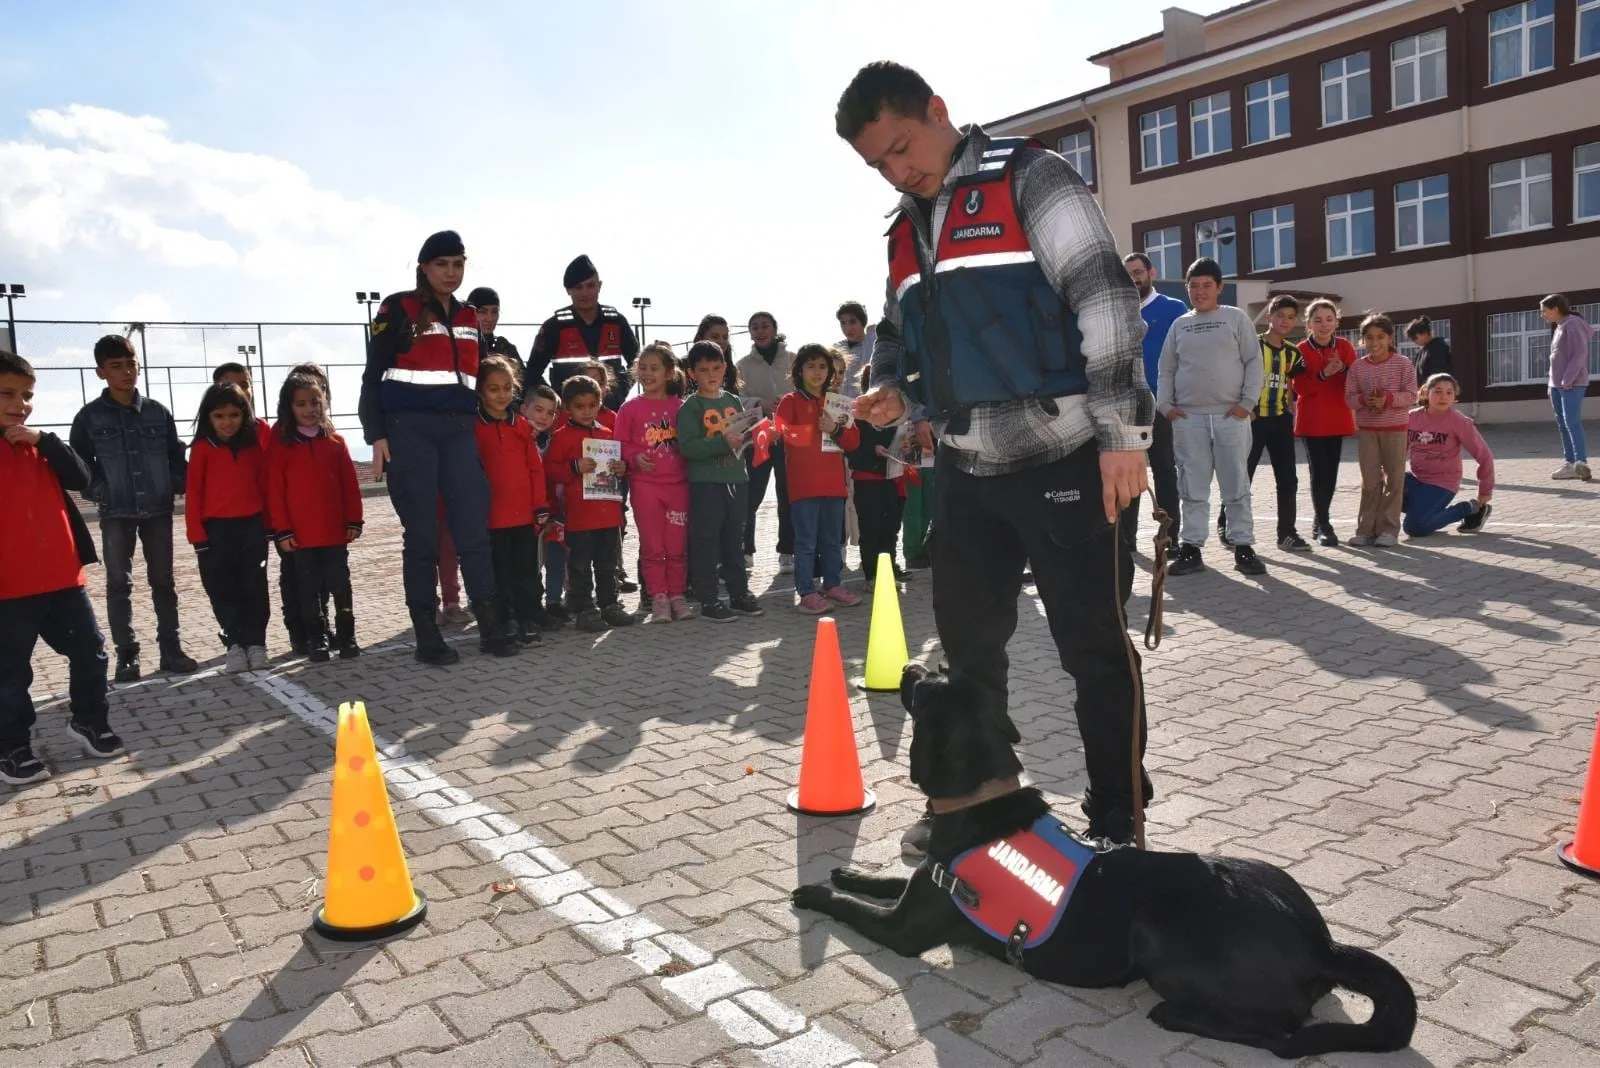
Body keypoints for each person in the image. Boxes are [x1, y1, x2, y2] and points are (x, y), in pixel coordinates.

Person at [838, 61, 1153, 851]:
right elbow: (898, 335)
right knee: (969, 654)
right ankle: (979, 804)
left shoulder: (1032, 178)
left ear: (939, 111)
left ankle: (1119, 814)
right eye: (878, 165)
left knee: (1093, 648)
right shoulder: (903, 231)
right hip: (965, 471)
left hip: (1067, 458)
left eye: (902, 148)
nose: (897, 172)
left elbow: (1106, 299)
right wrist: (890, 390)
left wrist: (1122, 436)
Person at [359, 230, 518, 664]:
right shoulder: (398, 308)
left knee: (472, 530)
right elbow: (373, 375)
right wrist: (376, 435)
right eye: (442, 264)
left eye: (458, 264)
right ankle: (427, 634)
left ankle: (490, 625)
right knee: (423, 535)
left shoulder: (468, 316)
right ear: (424, 268)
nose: (451, 272)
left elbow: (479, 378)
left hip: (460, 432)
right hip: (409, 431)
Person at [1, 349, 119, 785]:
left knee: (91, 652)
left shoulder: (40, 447)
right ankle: (12, 748)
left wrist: (45, 441)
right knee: (10, 675)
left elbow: (82, 479)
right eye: (7, 394)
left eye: (27, 395)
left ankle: (88, 720)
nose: (20, 404)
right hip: (8, 589)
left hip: (63, 580)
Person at [68, 334, 197, 682]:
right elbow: (79, 466)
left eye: (131, 364)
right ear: (101, 372)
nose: (126, 372)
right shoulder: (89, 418)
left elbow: (176, 457)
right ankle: (127, 655)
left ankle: (171, 650)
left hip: (157, 510)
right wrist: (101, 492)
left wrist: (173, 483)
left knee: (163, 580)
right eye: (116, 366)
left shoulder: (158, 412)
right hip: (116, 512)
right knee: (118, 583)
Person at [1157, 257, 1266, 577]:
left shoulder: (1235, 318)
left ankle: (1243, 547)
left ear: (1219, 287)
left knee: (1236, 485)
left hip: (1231, 418)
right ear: (1187, 289)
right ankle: (1191, 549)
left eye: (1207, 285)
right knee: (1191, 487)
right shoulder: (1180, 325)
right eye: (1194, 286)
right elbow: (1166, 369)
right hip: (1188, 420)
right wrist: (1166, 406)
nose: (1200, 291)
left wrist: (1247, 403)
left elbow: (1253, 361)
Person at [267, 374, 363, 662]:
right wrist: (282, 530)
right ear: (289, 407)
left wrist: (354, 520)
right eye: (301, 404)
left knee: (340, 585)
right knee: (308, 590)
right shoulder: (281, 446)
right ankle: (317, 639)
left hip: (335, 534)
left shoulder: (336, 442)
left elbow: (350, 485)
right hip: (300, 537)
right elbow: (275, 492)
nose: (309, 409)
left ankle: (347, 635)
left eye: (315, 402)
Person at [186, 382, 270, 672]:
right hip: (215, 533)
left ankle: (257, 645)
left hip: (252, 528)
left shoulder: (254, 447)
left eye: (234, 414)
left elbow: (264, 486)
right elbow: (194, 494)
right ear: (208, 417)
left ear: (244, 414)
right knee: (221, 589)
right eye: (219, 416)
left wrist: (269, 525)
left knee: (254, 587)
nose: (227, 422)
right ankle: (234, 645)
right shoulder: (201, 449)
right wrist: (197, 536)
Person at [677, 341, 763, 622]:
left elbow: (741, 437)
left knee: (734, 540)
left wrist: (755, 436)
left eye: (716, 368)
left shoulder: (733, 401)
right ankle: (708, 599)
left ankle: (739, 594)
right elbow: (688, 448)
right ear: (692, 373)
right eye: (703, 370)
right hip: (706, 484)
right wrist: (722, 443)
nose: (711, 375)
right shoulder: (691, 406)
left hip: (737, 479)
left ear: (725, 368)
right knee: (706, 541)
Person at [778, 344, 864, 614]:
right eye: (811, 366)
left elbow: (853, 442)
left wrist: (834, 428)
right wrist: (810, 430)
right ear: (799, 370)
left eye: (823, 366)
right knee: (805, 543)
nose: (817, 372)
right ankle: (806, 592)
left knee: (832, 541)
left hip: (834, 486)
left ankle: (833, 585)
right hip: (804, 486)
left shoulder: (837, 402)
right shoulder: (790, 401)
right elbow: (781, 432)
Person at [545, 375, 635, 633]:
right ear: (567, 408)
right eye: (579, 406)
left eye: (592, 405)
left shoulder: (607, 433)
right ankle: (584, 609)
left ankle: (609, 605)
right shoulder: (561, 437)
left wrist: (622, 468)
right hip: (579, 516)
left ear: (600, 403)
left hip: (609, 514)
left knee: (608, 565)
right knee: (580, 566)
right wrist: (574, 467)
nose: (586, 411)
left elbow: (620, 467)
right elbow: (550, 470)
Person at [1218, 295, 1308, 551]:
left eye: (1291, 317)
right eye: (1280, 316)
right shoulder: (1252, 345)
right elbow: (1234, 377)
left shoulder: (1293, 352)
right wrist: (1247, 408)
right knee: (1241, 475)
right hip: (1252, 420)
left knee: (1288, 479)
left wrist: (1291, 406)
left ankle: (1286, 533)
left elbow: (1291, 382)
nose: (1285, 321)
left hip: (1280, 421)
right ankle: (1227, 525)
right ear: (1269, 317)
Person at [474, 356, 553, 646]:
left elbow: (535, 468)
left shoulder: (520, 425)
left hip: (524, 516)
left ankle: (527, 617)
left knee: (526, 571)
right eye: (493, 389)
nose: (501, 395)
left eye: (507, 388)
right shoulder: (473, 427)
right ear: (480, 391)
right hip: (491, 517)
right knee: (499, 572)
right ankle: (504, 619)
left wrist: (540, 504)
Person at [617, 343, 695, 622]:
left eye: (654, 368)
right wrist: (635, 458)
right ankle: (658, 597)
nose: (647, 373)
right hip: (645, 487)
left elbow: (693, 442)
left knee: (676, 547)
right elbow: (620, 444)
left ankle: (677, 595)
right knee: (653, 546)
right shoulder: (629, 409)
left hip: (678, 487)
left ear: (669, 373)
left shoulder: (682, 407)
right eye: (643, 368)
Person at [1120, 254, 1185, 559]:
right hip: (1126, 408)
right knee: (1128, 472)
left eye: (1138, 272)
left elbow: (1186, 357)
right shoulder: (1118, 311)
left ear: (1151, 272)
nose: (1134, 279)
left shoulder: (1174, 309)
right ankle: (1126, 541)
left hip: (1160, 405)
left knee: (1164, 470)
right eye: (1128, 274)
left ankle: (1169, 538)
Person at [1344, 312, 1417, 547]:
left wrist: (1388, 399)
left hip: (1396, 430)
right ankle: (1365, 530)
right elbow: (1349, 398)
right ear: (1363, 340)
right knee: (1370, 481)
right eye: (1369, 337)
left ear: (1390, 338)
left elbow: (1412, 395)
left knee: (1395, 480)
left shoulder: (1403, 364)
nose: (1375, 342)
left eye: (1380, 337)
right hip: (1367, 431)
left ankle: (1388, 530)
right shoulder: (1357, 367)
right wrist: (1363, 400)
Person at [1290, 299, 1359, 546]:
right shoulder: (1300, 349)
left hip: (1338, 416)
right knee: (1318, 472)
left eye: (1329, 319)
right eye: (1317, 320)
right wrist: (1323, 374)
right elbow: (1300, 388)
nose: (1324, 325)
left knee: (1331, 472)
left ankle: (1320, 520)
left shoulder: (1345, 346)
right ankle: (1324, 524)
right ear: (1308, 324)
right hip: (1313, 419)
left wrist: (1343, 370)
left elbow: (1356, 381)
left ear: (1337, 322)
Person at [529, 256, 636, 408]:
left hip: (610, 412)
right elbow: (532, 373)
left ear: (599, 286)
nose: (585, 293)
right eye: (578, 287)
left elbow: (638, 364)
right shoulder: (554, 327)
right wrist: (555, 400)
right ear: (568, 290)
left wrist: (619, 393)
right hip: (568, 414)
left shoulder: (617, 322)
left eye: (590, 286)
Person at [734, 312, 795, 573]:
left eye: (765, 326)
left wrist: (787, 405)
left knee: (787, 495)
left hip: (789, 437)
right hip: (757, 437)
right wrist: (759, 403)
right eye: (755, 327)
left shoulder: (793, 359)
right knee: (751, 495)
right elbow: (737, 399)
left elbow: (804, 391)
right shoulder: (742, 366)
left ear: (775, 329)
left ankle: (787, 552)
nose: (760, 331)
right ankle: (746, 550)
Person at [1404, 374, 1494, 537]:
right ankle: (1427, 512)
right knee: (1379, 486)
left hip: (1441, 484)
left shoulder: (1459, 422)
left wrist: (1485, 490)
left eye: (1449, 392)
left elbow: (1484, 456)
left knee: (1415, 528)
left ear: (1454, 397)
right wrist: (1385, 472)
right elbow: (1400, 451)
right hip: (1416, 479)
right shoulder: (1412, 418)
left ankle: (1469, 508)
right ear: (1426, 393)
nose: (1444, 397)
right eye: (1438, 391)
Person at [847, 363, 909, 588]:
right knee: (871, 530)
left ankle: (889, 571)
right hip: (867, 480)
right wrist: (872, 449)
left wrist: (907, 446)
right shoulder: (857, 414)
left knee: (890, 529)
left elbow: (903, 441)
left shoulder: (898, 413)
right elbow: (851, 448)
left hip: (893, 478)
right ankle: (872, 575)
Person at [522, 385, 570, 626]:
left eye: (550, 413)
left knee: (555, 559)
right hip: (522, 514)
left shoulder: (552, 442)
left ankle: (553, 603)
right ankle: (526, 608)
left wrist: (555, 513)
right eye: (538, 410)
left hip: (551, 514)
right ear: (524, 409)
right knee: (527, 564)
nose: (543, 417)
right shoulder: (517, 439)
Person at [1540, 294, 1593, 481]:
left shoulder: (1573, 324)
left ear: (1555, 309)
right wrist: (1552, 383)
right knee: (1563, 424)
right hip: (1557, 385)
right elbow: (1558, 357)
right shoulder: (1560, 326)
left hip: (1570, 384)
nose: (1542, 315)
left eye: (1544, 311)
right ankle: (1570, 463)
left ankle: (1580, 462)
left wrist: (1568, 380)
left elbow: (1579, 354)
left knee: (1572, 422)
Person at [469, 286, 526, 391]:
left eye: (494, 312)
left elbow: (524, 384)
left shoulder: (506, 348)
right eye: (483, 312)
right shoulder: (461, 346)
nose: (489, 318)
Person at [692, 315, 743, 394]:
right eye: (715, 337)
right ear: (701, 337)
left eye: (725, 337)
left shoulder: (729, 369)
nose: (721, 341)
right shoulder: (685, 365)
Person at [835, 301, 876, 399]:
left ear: (862, 322)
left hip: (867, 401)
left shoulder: (873, 343)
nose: (847, 328)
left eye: (852, 322)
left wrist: (872, 336)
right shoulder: (837, 348)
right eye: (843, 323)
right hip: (841, 404)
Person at [1405, 316, 1453, 384]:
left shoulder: (1439, 348)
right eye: (1411, 338)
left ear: (1425, 333)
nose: (1413, 341)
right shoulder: (1421, 352)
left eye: (1414, 337)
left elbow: (1439, 376)